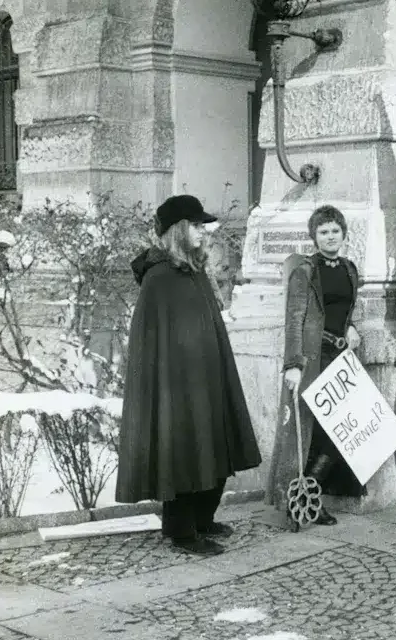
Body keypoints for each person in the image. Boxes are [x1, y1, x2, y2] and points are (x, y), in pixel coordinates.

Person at [116, 194, 262, 556]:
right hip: (178, 388)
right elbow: (154, 344)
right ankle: (181, 530)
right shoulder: (160, 278)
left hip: (207, 380)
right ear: (178, 230)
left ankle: (202, 518)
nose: (203, 231)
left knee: (216, 444)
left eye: (202, 225)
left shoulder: (193, 271)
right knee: (182, 451)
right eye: (195, 225)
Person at [265, 205, 365, 529]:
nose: (330, 236)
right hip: (312, 359)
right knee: (308, 433)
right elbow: (294, 320)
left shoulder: (349, 269)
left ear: (343, 233)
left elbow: (343, 310)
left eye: (335, 230)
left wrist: (351, 327)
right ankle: (297, 501)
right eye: (323, 232)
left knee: (338, 432)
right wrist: (293, 365)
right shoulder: (305, 271)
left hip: (340, 359)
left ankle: (308, 494)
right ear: (314, 236)